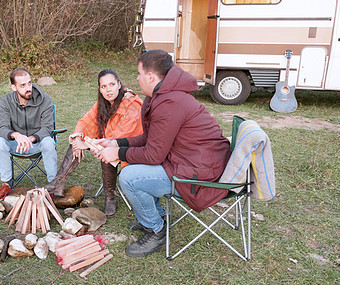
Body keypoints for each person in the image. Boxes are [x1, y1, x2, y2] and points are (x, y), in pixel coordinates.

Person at [92, 50, 231, 257]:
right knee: (137, 169)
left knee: (130, 177)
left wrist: (117, 153)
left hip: (199, 173)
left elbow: (154, 155)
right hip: (188, 161)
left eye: (139, 73)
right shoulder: (161, 95)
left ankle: (155, 230)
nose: (137, 78)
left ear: (150, 76)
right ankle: (156, 215)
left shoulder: (170, 103)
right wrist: (115, 142)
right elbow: (149, 138)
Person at [44, 68, 143, 216]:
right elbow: (85, 121)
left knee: (106, 153)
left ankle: (110, 197)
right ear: (100, 89)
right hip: (109, 143)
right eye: (104, 86)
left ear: (119, 84)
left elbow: (118, 139)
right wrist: (78, 138)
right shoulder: (103, 103)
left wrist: (88, 145)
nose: (108, 90)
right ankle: (58, 183)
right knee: (77, 141)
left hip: (132, 147)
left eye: (111, 85)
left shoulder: (132, 106)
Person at [0, 67, 57, 200]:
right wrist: (17, 135)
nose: (28, 88)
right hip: (16, 144)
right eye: (22, 85)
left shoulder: (45, 100)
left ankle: (53, 185)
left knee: (49, 142)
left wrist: (31, 139)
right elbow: (3, 127)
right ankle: (7, 184)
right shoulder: (6, 101)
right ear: (14, 87)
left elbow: (48, 128)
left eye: (29, 83)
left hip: (37, 143)